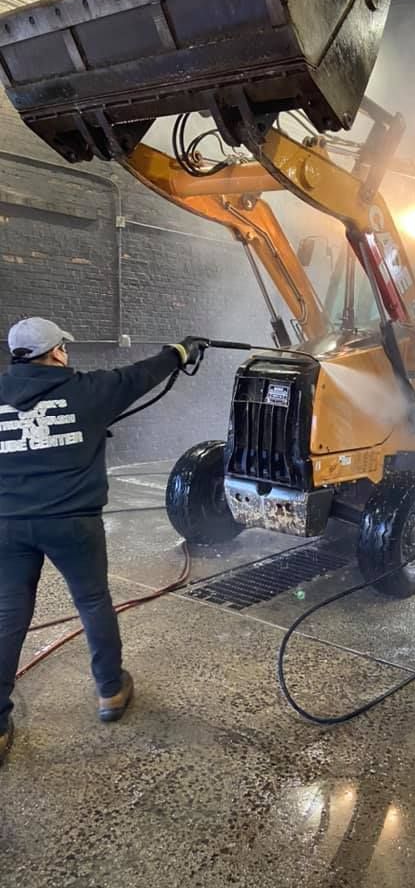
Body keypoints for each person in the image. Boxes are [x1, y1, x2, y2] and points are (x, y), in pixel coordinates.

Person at [0, 317, 201, 765]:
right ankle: (110, 691)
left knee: (9, 614)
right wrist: (182, 351)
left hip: (9, 524)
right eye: (63, 349)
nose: (66, 355)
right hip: (73, 524)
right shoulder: (89, 391)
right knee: (93, 602)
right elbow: (142, 374)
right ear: (54, 353)